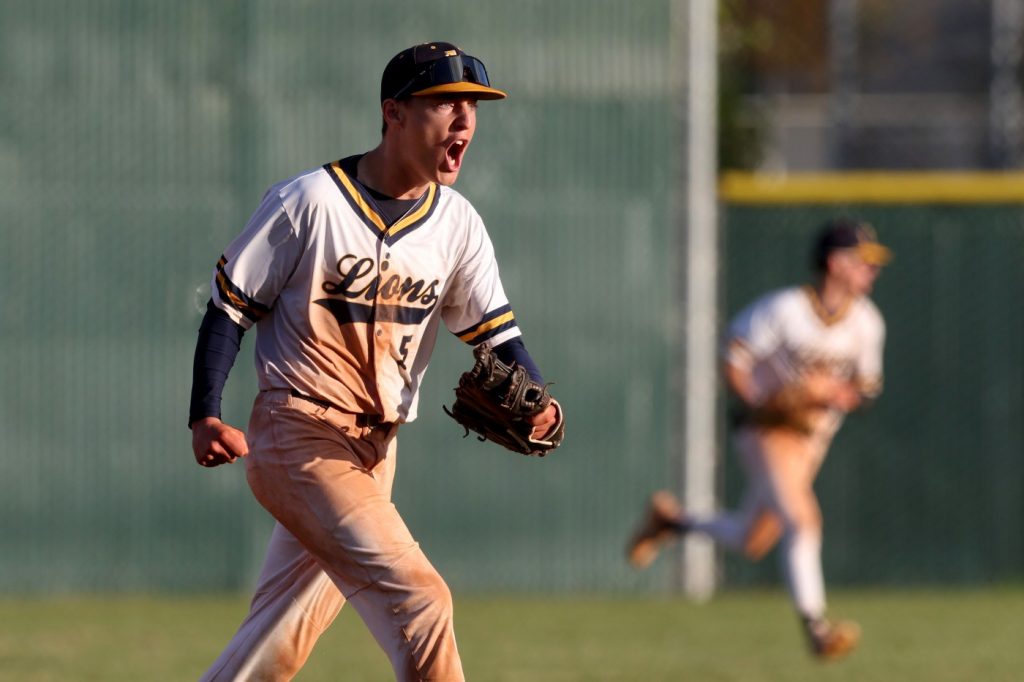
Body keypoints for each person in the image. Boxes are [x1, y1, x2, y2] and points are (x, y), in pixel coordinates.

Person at [188, 42, 562, 681]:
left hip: (375, 452)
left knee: (274, 643)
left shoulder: (457, 225)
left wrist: (540, 400)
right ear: (393, 112)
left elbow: (495, 332)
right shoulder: (309, 202)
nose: (464, 120)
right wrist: (206, 414)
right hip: (298, 434)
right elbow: (229, 308)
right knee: (422, 602)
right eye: (445, 102)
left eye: (473, 107)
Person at [626, 218, 890, 661]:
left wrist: (832, 393)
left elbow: (866, 390)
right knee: (803, 520)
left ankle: (672, 522)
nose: (871, 270)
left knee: (753, 539)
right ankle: (817, 628)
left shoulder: (866, 322)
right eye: (862, 261)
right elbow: (735, 357)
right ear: (834, 263)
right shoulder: (785, 309)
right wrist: (761, 399)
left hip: (811, 440)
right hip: (765, 429)